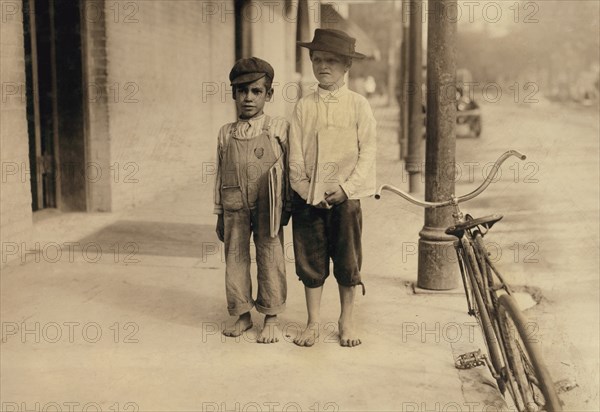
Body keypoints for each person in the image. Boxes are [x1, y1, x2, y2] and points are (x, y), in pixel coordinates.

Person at [289, 29, 377, 347]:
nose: (322, 66)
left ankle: (346, 321)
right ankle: (313, 322)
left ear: (346, 66)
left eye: (331, 61)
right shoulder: (303, 107)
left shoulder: (358, 105)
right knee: (310, 260)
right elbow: (295, 157)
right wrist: (303, 190)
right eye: (317, 59)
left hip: (345, 198)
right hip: (308, 198)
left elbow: (367, 153)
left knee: (347, 258)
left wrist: (346, 188)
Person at [213, 57, 290, 344]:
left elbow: (289, 171)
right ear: (233, 93)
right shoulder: (225, 133)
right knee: (235, 257)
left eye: (256, 91)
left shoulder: (278, 128)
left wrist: (287, 205)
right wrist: (219, 212)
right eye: (242, 91)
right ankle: (242, 313)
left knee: (270, 255)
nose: (248, 98)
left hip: (268, 204)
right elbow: (219, 175)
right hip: (234, 204)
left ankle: (271, 316)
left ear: (268, 95)